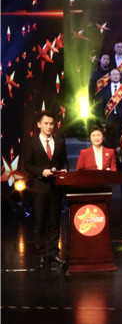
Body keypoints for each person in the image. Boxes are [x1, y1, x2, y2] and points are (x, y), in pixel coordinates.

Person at [22, 111, 69, 269]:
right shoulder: (31, 143)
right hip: (39, 187)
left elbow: (64, 161)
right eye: (46, 123)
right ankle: (41, 254)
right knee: (40, 222)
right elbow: (28, 165)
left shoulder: (59, 142)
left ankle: (54, 253)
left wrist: (64, 170)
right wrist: (41, 172)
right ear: (39, 124)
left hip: (55, 187)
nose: (49, 127)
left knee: (55, 223)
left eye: (51, 124)